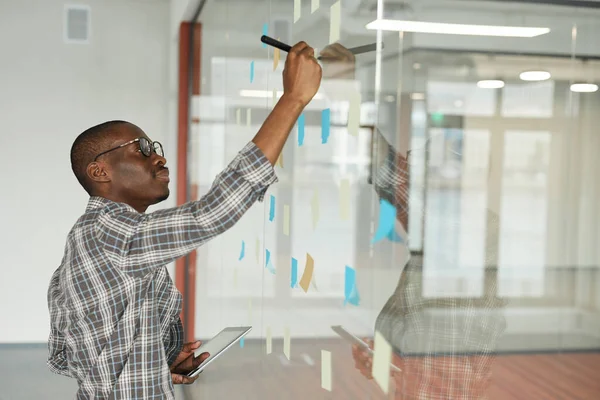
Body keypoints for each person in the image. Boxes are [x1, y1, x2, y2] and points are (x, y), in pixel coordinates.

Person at [47, 41, 322, 399]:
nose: (159, 159)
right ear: (99, 171)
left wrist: (155, 364)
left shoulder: (90, 236)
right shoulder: (108, 232)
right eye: (141, 149)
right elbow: (210, 213)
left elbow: (68, 348)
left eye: (156, 148)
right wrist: (292, 100)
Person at [318, 44, 507, 398]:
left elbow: (390, 175)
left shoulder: (465, 228)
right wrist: (385, 355)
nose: (415, 172)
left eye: (425, 166)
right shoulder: (443, 236)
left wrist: (345, 89)